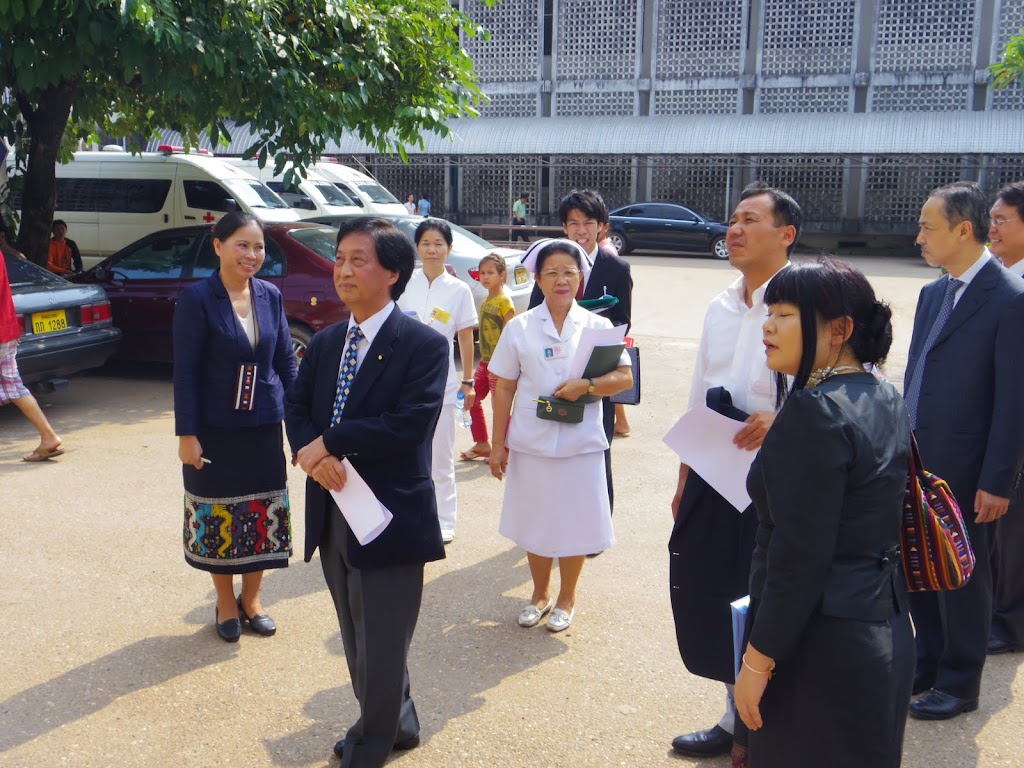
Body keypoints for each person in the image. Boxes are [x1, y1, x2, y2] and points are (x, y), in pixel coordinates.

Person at [733, 258, 915, 768]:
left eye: (785, 314)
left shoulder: (814, 411)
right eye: (769, 312)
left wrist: (757, 661)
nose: (768, 326)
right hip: (882, 626)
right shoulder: (882, 394)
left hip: (820, 644)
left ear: (840, 330)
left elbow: (799, 557)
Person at [284, 217, 448, 767]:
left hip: (388, 513)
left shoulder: (422, 345)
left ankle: (370, 744)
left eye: (359, 260)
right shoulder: (329, 341)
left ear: (392, 272)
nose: (343, 270)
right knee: (356, 633)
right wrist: (312, 452)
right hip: (333, 507)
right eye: (339, 259)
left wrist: (330, 442)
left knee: (381, 638)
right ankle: (397, 720)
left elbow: (410, 425)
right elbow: (297, 406)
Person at [668, 182, 798, 761]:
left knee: (772, 594)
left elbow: (850, 380)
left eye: (750, 219)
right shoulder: (720, 306)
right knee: (719, 590)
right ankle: (734, 717)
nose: (735, 229)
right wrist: (684, 478)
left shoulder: (808, 298)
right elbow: (699, 391)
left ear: (786, 234)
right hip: (717, 472)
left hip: (783, 476)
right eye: (733, 219)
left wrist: (785, 418)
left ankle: (773, 728)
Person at [903, 181, 1024, 720]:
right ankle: (928, 660)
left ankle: (960, 681)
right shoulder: (934, 293)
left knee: (964, 576)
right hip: (917, 459)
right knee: (918, 566)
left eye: (928, 227)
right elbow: (918, 373)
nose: (919, 237)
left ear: (963, 230)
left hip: (968, 470)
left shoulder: (1010, 300)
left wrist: (998, 481)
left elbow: (1014, 402)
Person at [489, 239, 632, 632]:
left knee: (575, 522)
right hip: (531, 440)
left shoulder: (599, 327)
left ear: (580, 278)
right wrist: (498, 444)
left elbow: (624, 377)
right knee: (536, 520)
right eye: (551, 273)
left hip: (580, 442)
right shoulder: (520, 327)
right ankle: (540, 594)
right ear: (538, 279)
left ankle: (567, 596)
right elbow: (504, 386)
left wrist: (586, 386)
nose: (561, 280)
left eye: (569, 272)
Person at [173, 212, 297, 643]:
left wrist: (300, 428)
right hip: (215, 430)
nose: (251, 254)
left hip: (263, 424)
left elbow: (286, 363)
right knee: (219, 515)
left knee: (261, 513)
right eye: (242, 245)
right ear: (218, 246)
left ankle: (253, 599)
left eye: (258, 247)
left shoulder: (269, 295)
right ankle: (226, 602)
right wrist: (187, 435)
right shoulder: (197, 299)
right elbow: (185, 373)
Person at [528, 189, 632, 523]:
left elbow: (623, 322)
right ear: (564, 227)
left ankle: (597, 525)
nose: (580, 230)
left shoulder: (616, 268)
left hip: (596, 374)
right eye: (573, 223)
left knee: (598, 449)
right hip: (553, 372)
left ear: (602, 226)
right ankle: (554, 522)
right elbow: (533, 313)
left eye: (588, 222)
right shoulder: (549, 263)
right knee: (552, 448)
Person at [397, 219, 478, 543]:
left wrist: (468, 380)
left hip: (441, 385)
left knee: (441, 457)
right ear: (417, 247)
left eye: (438, 244)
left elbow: (466, 337)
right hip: (404, 384)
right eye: (426, 243)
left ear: (449, 248)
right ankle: (408, 515)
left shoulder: (459, 290)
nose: (432, 249)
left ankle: (444, 521)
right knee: (405, 454)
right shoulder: (403, 284)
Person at [987, 181, 1024, 655]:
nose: (992, 228)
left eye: (1001, 220)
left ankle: (1011, 623)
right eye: (991, 220)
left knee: (1014, 529)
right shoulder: (999, 277)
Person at [1, 250, 64, 461]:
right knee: (14, 387)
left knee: (14, 387)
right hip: (6, 331)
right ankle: (48, 436)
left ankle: (49, 436)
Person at [463, 252, 515, 460]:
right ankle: (482, 443)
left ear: (502, 275)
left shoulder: (504, 301)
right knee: (471, 399)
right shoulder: (486, 298)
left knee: (499, 406)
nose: (485, 277)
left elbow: (510, 334)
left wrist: (506, 364)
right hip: (485, 362)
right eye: (482, 273)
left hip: (499, 365)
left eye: (490, 273)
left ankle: (505, 449)